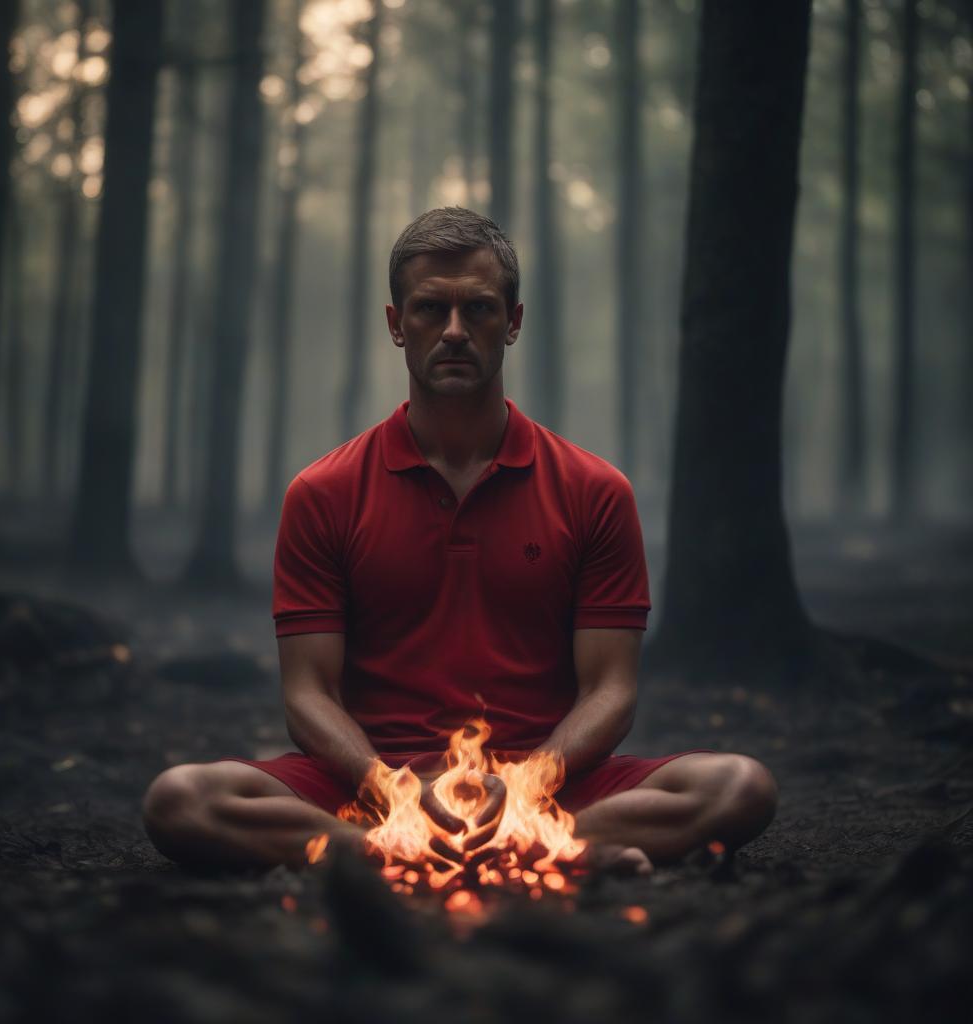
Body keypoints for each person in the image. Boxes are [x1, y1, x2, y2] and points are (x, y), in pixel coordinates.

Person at [143, 207, 777, 872]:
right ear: (396, 324)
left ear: (514, 321)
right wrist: (391, 790)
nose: (453, 332)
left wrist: (529, 784)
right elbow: (307, 694)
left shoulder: (595, 490)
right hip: (374, 788)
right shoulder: (323, 493)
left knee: (739, 786)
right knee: (180, 799)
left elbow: (611, 691)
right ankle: (447, 853)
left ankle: (468, 852)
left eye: (477, 309)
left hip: (545, 785)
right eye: (428, 310)